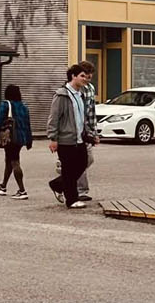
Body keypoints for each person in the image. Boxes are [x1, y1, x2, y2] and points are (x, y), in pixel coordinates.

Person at [47, 64, 93, 209]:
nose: (85, 79)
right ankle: (72, 199)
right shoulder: (62, 95)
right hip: (65, 139)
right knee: (68, 168)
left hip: (79, 138)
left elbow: (82, 117)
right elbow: (54, 117)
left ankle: (58, 184)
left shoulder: (80, 95)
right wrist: (53, 138)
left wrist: (89, 133)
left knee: (83, 163)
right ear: (73, 76)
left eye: (86, 76)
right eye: (82, 76)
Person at [0, 83, 33, 198]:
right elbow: (28, 124)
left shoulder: (5, 105)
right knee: (9, 160)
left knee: (14, 162)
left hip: (10, 137)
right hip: (21, 138)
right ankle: (3, 185)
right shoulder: (24, 106)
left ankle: (22, 190)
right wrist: (29, 140)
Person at [76, 60, 99, 202]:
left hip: (87, 129)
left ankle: (65, 178)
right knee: (82, 159)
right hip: (77, 129)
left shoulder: (90, 88)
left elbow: (92, 112)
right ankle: (80, 190)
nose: (89, 76)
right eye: (86, 73)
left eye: (90, 74)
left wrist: (94, 132)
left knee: (89, 159)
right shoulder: (75, 88)